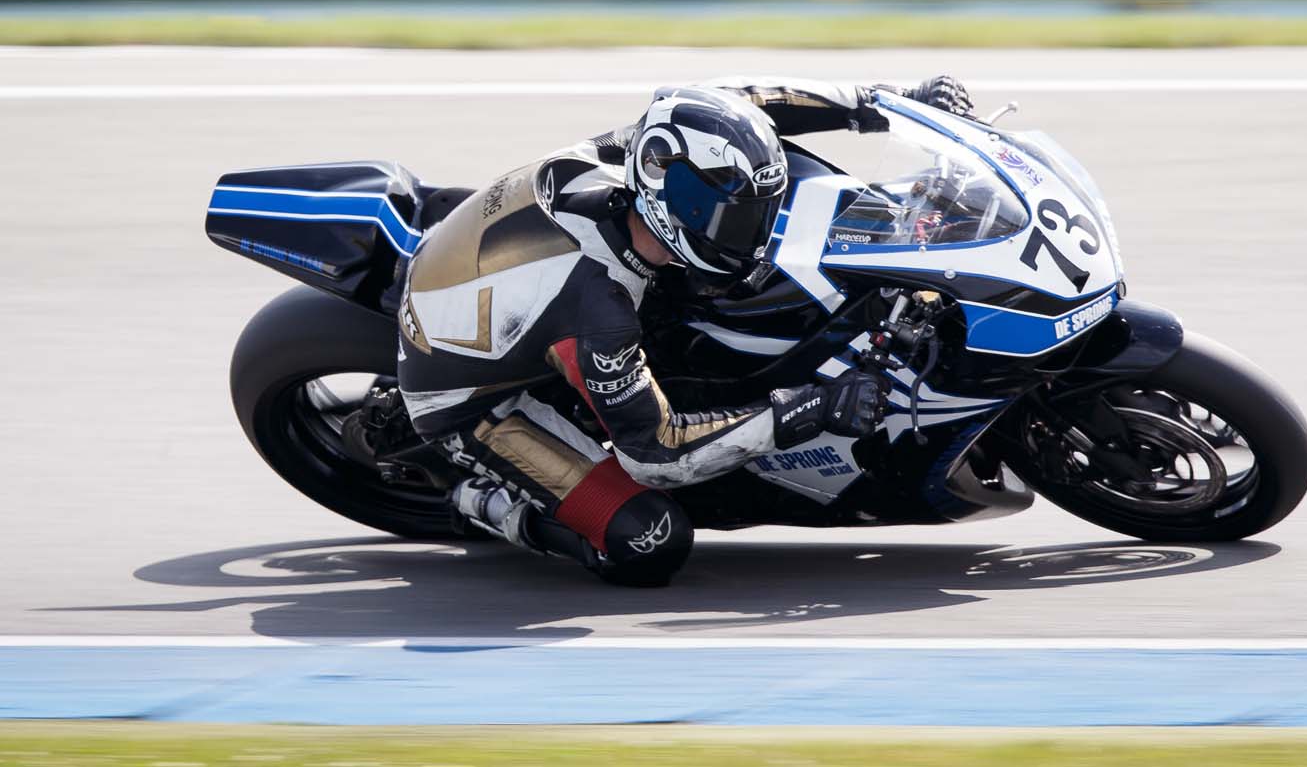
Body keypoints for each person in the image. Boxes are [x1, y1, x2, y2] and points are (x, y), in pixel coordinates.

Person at [395, 76, 974, 585]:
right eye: (735, 217)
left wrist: (883, 102)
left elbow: (750, 103)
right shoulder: (598, 311)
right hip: (475, 403)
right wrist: (803, 411)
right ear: (675, 205)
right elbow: (657, 452)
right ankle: (485, 502)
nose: (754, 232)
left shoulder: (657, 151)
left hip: (494, 281)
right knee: (651, 540)